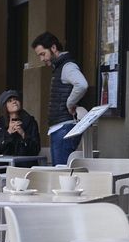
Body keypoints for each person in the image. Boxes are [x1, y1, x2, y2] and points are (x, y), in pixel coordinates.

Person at [31, 31, 88, 165]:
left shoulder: (67, 66)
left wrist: (70, 103)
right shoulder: (60, 67)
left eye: (42, 54)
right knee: (62, 173)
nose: (42, 59)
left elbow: (82, 85)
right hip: (62, 127)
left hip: (64, 127)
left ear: (53, 48)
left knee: (61, 173)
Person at [0, 90, 40, 157]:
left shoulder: (30, 121)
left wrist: (23, 134)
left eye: (16, 99)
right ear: (4, 106)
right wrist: (8, 133)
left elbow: (36, 150)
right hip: (4, 165)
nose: (14, 102)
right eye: (10, 101)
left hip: (25, 164)